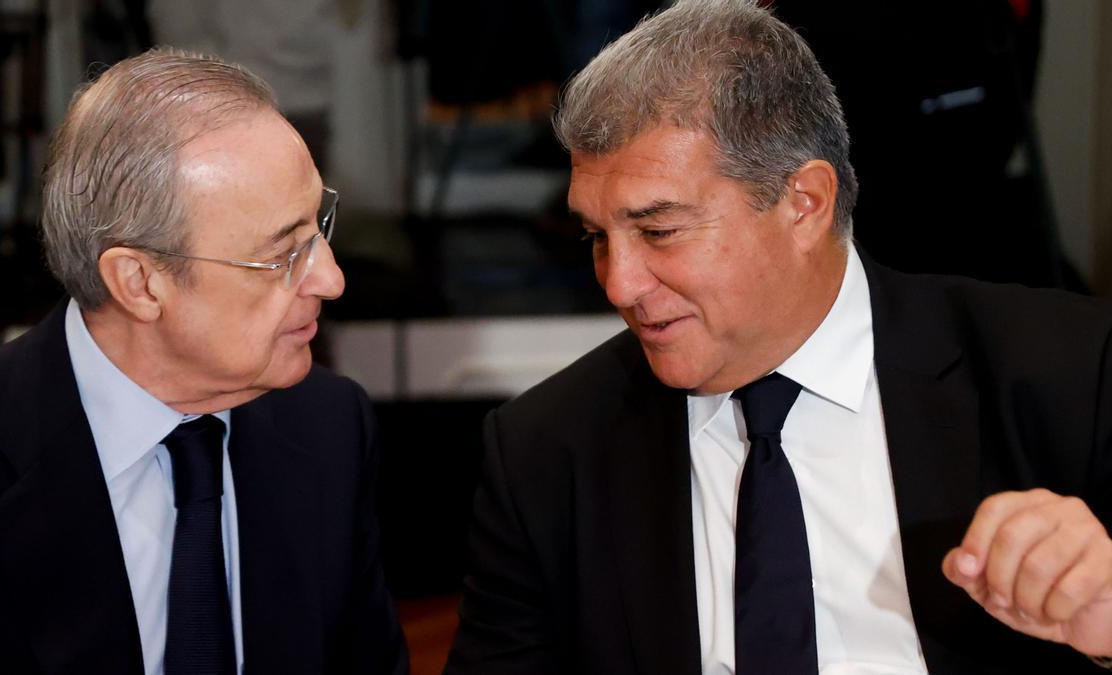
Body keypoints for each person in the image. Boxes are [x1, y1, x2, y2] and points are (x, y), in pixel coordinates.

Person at [444, 1, 1112, 673]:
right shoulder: (546, 452)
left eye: (659, 230)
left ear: (805, 203)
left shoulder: (1067, 376)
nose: (618, 285)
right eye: (596, 237)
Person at [0, 48, 408, 675]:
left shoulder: (329, 427)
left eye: (319, 227)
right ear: (140, 283)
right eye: (282, 254)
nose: (332, 279)